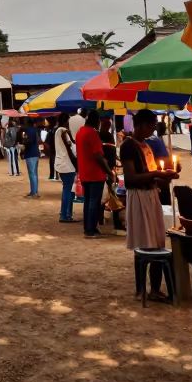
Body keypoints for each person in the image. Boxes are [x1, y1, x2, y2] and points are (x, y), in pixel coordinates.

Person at [122, 109, 178, 299]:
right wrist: (156, 175)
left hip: (151, 194)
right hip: (139, 197)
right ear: (141, 125)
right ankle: (144, 289)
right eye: (152, 125)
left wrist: (166, 176)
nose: (153, 129)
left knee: (156, 241)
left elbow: (152, 173)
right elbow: (130, 178)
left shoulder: (145, 144)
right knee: (146, 244)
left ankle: (154, 288)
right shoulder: (128, 146)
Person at [76, 110, 113, 239]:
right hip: (94, 173)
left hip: (84, 172)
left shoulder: (80, 132)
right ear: (96, 122)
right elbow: (98, 155)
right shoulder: (92, 133)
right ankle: (91, 229)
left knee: (88, 201)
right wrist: (108, 171)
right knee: (94, 202)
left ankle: (88, 228)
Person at [54, 112, 77, 222]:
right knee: (68, 190)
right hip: (67, 164)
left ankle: (65, 213)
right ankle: (65, 215)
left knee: (66, 189)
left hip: (61, 164)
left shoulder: (58, 131)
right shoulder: (63, 131)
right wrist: (75, 163)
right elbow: (69, 149)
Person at [21, 117, 41, 197]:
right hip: (35, 152)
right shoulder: (35, 130)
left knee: (32, 173)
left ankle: (33, 192)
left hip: (30, 153)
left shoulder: (30, 131)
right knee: (35, 173)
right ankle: (35, 191)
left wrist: (24, 141)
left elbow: (28, 141)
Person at [45, 116, 58, 181]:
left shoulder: (51, 130)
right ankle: (54, 175)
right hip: (55, 147)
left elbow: (47, 140)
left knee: (53, 160)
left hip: (53, 147)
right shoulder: (54, 129)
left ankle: (53, 175)